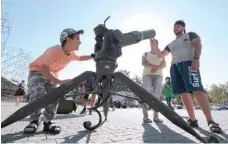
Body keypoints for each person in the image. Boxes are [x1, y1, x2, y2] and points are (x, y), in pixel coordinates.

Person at [153, 20, 222, 133]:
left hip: (188, 64)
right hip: (175, 67)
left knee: (197, 90)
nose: (175, 28)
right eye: (174, 26)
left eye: (178, 26)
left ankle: (211, 121)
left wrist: (196, 59)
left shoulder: (190, 35)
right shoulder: (171, 44)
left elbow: (197, 44)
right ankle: (192, 120)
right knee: (183, 93)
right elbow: (162, 55)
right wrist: (155, 48)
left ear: (183, 27)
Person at [24, 28, 94, 134]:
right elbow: (44, 69)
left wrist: (92, 56)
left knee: (54, 97)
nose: (80, 41)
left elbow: (80, 58)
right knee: (38, 94)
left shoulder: (72, 54)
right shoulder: (53, 51)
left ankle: (48, 122)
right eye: (77, 38)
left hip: (53, 73)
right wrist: (59, 81)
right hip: (38, 71)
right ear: (67, 39)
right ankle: (34, 121)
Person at [141, 38, 166, 123]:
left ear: (157, 44)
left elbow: (164, 64)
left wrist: (156, 68)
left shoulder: (161, 54)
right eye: (150, 43)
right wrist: (154, 66)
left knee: (156, 95)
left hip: (158, 75)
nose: (151, 43)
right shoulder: (146, 53)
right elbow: (143, 63)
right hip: (147, 75)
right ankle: (145, 117)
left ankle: (156, 117)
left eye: (153, 42)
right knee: (146, 93)